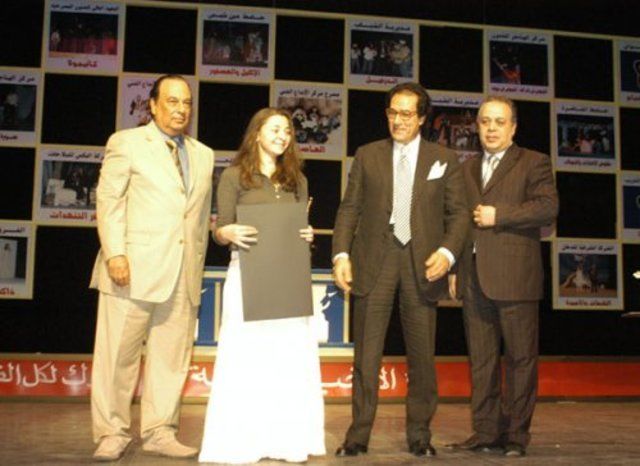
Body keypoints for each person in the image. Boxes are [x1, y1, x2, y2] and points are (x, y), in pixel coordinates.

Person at [332, 82, 469, 458]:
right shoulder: (368, 154)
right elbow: (349, 208)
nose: (398, 120)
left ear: (422, 118)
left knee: (422, 357)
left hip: (422, 263)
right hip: (374, 259)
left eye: (407, 113)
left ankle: (420, 436)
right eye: (393, 112)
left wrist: (447, 252)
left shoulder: (444, 158)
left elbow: (459, 214)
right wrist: (341, 254)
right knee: (366, 356)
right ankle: (358, 435)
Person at [89, 75, 214, 461]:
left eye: (187, 103)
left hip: (182, 274)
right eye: (172, 101)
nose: (181, 109)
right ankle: (111, 432)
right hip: (131, 269)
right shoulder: (126, 143)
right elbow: (109, 201)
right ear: (153, 105)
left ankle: (160, 431)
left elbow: (196, 217)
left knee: (170, 360)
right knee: (117, 357)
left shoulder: (204, 154)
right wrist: (115, 254)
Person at [198, 108, 325, 464]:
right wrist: (227, 232)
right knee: (248, 359)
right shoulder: (234, 176)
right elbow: (220, 229)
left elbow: (300, 228)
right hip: (248, 276)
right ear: (256, 133)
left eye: (287, 131)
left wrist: (307, 234)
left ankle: (286, 441)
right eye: (275, 129)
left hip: (288, 277)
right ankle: (243, 441)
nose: (283, 136)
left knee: (287, 360)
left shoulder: (297, 180)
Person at [447, 96, 558, 457]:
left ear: (513, 128)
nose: (491, 128)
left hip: (515, 277)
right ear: (477, 127)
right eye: (485, 122)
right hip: (473, 278)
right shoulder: (466, 169)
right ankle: (485, 432)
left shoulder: (534, 162)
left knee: (520, 360)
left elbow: (548, 208)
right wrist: (455, 266)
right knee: (481, 361)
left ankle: (516, 436)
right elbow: (460, 222)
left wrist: (500, 215)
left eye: (499, 122)